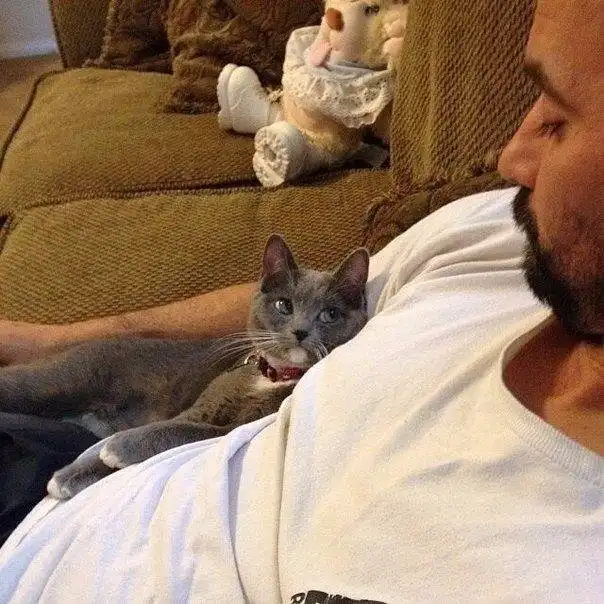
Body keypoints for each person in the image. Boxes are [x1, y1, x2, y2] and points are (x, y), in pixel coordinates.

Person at [0, 0, 602, 601]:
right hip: (53, 490)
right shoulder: (494, 231)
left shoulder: (560, 562)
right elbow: (283, 300)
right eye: (534, 99)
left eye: (559, 118)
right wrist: (75, 336)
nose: (509, 159)